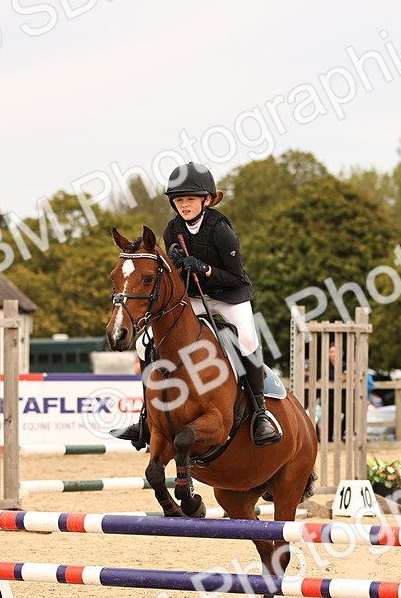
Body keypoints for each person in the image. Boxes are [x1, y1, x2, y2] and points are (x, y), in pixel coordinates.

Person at [112, 162, 281, 448]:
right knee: (143, 345)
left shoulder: (220, 230)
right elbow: (174, 278)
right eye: (179, 200)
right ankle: (145, 418)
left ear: (206, 200)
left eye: (190, 199)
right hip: (193, 296)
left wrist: (204, 269)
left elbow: (235, 275)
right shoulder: (171, 229)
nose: (184, 205)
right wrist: (176, 263)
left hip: (230, 295)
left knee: (249, 340)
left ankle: (261, 413)